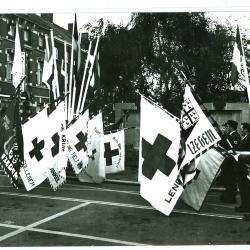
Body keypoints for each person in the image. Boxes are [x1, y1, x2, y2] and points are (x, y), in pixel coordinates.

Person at [219, 120, 241, 203]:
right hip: (228, 161)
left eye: (227, 127)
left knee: (231, 179)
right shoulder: (230, 135)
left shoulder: (235, 136)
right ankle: (228, 195)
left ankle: (231, 197)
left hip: (231, 162)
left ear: (231, 127)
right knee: (228, 180)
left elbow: (233, 148)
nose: (226, 128)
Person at [233, 123, 250, 212]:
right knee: (243, 188)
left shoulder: (248, 138)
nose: (241, 130)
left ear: (246, 129)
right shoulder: (245, 137)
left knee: (245, 188)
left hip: (244, 167)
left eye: (242, 129)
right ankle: (244, 205)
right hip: (242, 166)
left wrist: (235, 153)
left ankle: (246, 206)